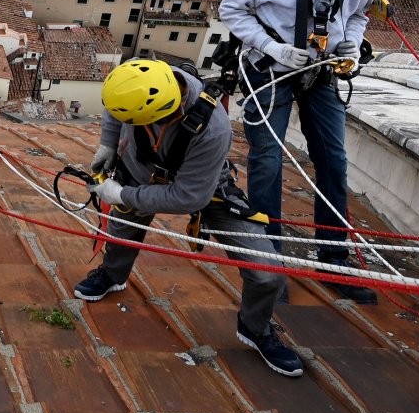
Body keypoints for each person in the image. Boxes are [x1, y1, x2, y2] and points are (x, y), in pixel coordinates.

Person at [72, 59, 304, 377]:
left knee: (267, 272)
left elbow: (188, 197)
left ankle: (256, 328)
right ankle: (113, 275)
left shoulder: (212, 129)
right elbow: (115, 107)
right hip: (139, 170)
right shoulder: (136, 83)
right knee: (121, 233)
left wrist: (122, 195)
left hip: (203, 184)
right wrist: (108, 146)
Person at [217, 0, 382, 304]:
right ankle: (267, 267)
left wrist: (351, 44)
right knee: (267, 159)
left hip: (322, 70)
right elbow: (232, 9)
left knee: (334, 161)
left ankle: (333, 261)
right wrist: (271, 47)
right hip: (269, 70)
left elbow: (359, 14)